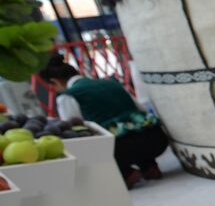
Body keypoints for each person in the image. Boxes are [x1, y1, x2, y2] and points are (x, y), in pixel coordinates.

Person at [39, 58, 168, 189]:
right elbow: (141, 109)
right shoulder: (112, 83)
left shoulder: (68, 96)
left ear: (54, 81)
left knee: (85, 140)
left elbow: (73, 131)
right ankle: (149, 166)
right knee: (131, 125)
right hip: (157, 140)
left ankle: (126, 173)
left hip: (120, 151)